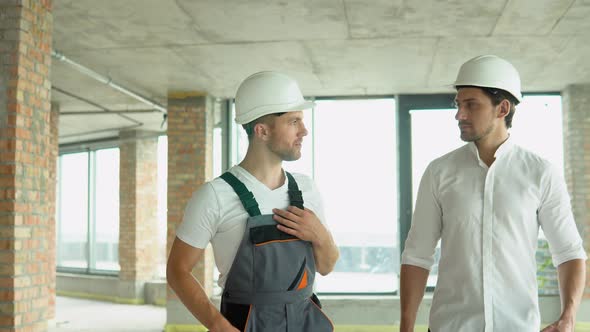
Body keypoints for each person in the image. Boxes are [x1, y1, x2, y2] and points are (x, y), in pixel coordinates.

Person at [400, 55, 587, 332]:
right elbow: (417, 255)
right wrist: (406, 327)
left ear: (502, 108)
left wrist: (568, 316)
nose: (459, 114)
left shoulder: (541, 173)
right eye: (458, 104)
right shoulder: (439, 172)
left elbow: (569, 251)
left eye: (471, 105)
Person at [167, 71, 339, 332]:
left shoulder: (307, 189)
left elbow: (326, 266)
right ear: (262, 131)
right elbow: (177, 270)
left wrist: (320, 236)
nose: (304, 130)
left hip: (307, 323)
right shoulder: (215, 195)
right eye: (294, 121)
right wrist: (217, 325)